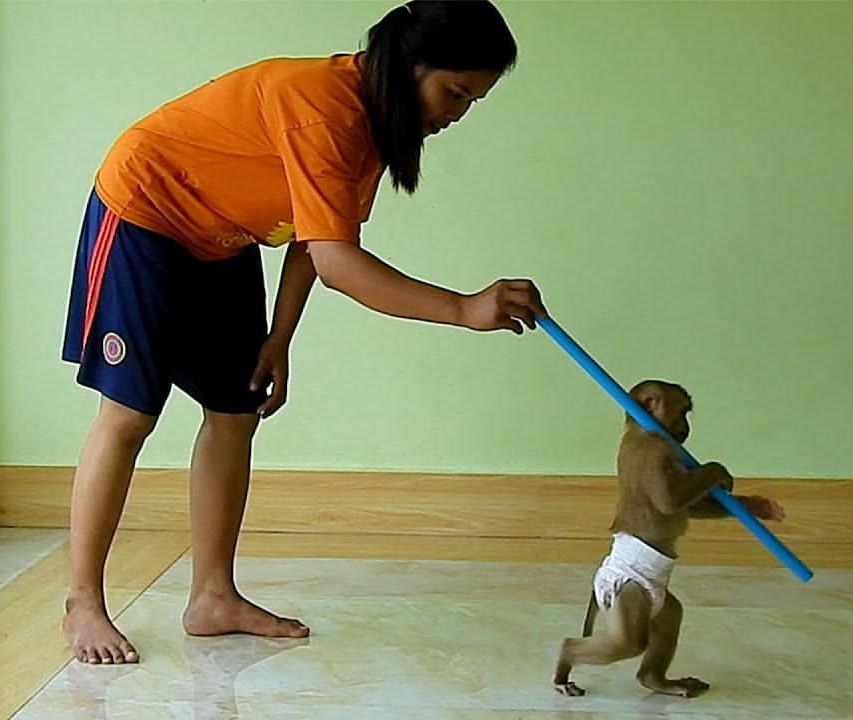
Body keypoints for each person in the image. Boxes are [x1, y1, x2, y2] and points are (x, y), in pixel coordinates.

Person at [59, 0, 545, 665]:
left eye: (473, 101)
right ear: (409, 65)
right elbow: (342, 264)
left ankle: (212, 598)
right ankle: (82, 603)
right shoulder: (325, 105)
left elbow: (315, 242)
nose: (457, 113)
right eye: (454, 91)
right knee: (129, 416)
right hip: (145, 211)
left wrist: (278, 340)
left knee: (236, 411)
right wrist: (462, 308)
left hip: (222, 239)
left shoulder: (375, 127)